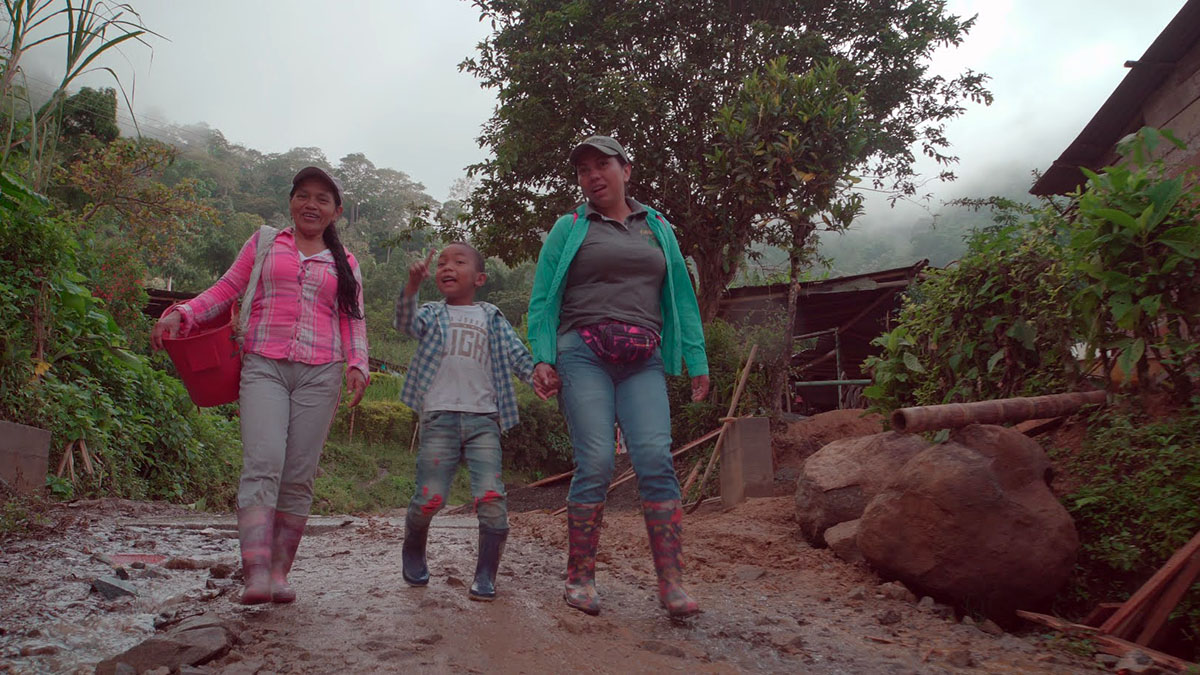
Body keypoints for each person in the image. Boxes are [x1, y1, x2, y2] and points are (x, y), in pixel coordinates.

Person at [152, 166, 368, 605]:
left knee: (299, 474)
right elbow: (227, 288)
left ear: (336, 211)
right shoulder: (266, 242)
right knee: (263, 462)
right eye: (303, 195)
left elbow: (353, 318)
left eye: (322, 199)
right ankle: (254, 573)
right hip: (263, 366)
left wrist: (358, 364)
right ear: (291, 201)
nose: (312, 204)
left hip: (321, 372)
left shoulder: (345, 262)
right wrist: (185, 312)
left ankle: (279, 573)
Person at [527, 135, 710, 618]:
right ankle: (580, 576)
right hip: (582, 351)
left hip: (643, 358)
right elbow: (544, 299)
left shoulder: (658, 229)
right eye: (583, 168)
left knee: (654, 455)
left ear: (626, 170)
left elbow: (681, 300)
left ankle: (671, 583)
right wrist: (542, 357)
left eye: (602, 164)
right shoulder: (568, 228)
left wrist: (697, 360)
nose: (593, 174)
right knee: (597, 459)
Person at [394, 241, 551, 600]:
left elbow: (518, 356)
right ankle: (414, 548)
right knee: (430, 497)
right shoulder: (432, 313)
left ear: (479, 277)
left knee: (492, 497)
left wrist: (540, 377)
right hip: (439, 418)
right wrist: (412, 287)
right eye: (442, 263)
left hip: (484, 422)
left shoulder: (491, 317)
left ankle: (486, 574)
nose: (447, 267)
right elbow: (405, 323)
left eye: (458, 262)